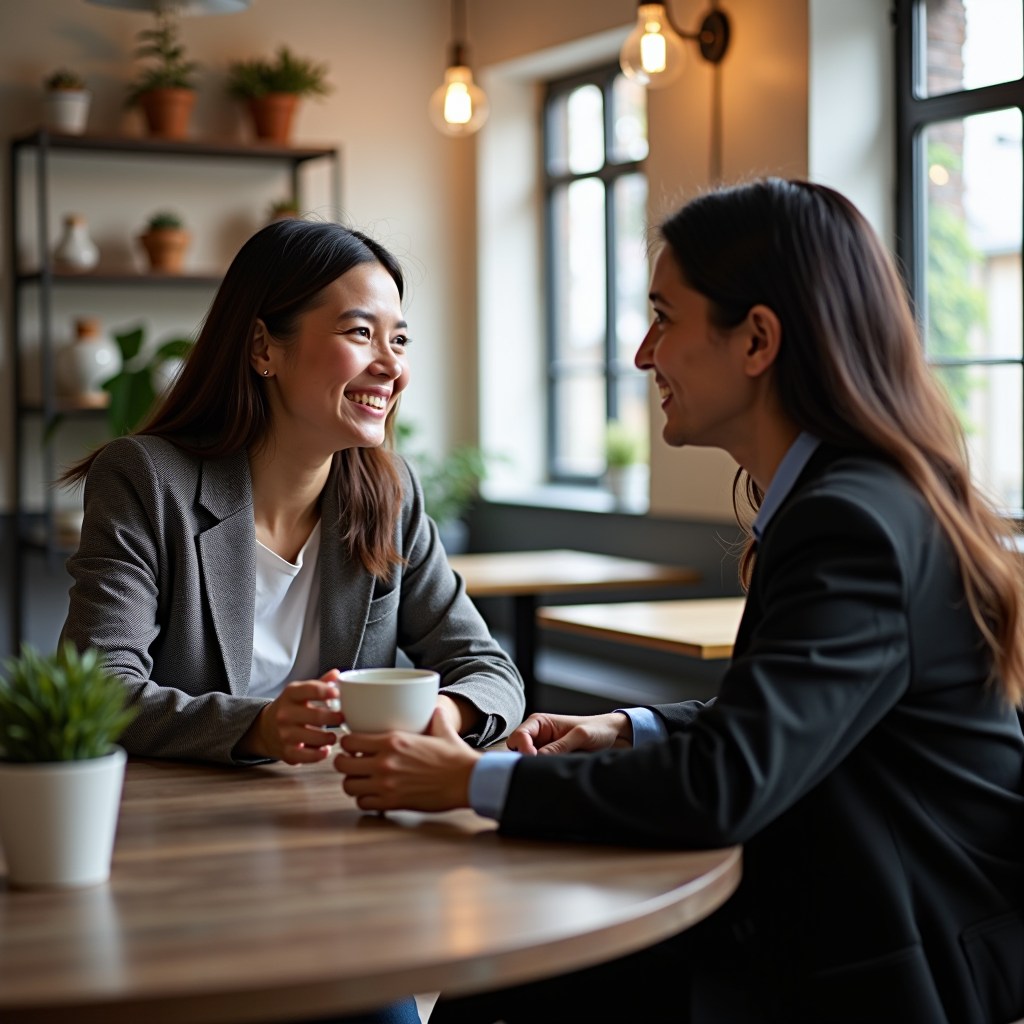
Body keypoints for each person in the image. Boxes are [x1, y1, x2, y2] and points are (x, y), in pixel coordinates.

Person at [332, 180, 1024, 1023]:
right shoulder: (844, 500)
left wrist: (473, 779)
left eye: (665, 316)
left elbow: (728, 783)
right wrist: (627, 727)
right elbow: (794, 721)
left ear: (757, 340)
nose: (641, 354)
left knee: (512, 973)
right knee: (514, 970)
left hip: (893, 956)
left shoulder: (853, 522)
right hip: (838, 906)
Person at [60, 220, 525, 1024]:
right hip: (181, 874)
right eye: (359, 333)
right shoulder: (145, 480)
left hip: (340, 866)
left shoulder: (387, 492)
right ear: (264, 348)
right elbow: (98, 689)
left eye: (400, 339)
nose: (392, 366)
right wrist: (259, 728)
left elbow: (490, 670)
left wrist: (443, 712)